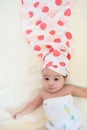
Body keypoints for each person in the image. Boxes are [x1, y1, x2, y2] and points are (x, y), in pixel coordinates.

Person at [12, 0, 87, 129]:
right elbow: (32, 105)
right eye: (46, 78)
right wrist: (20, 113)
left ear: (65, 78)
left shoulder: (68, 89)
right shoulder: (43, 94)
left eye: (56, 79)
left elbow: (84, 92)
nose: (50, 83)